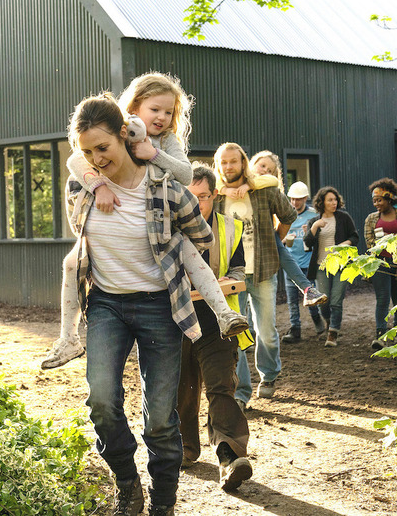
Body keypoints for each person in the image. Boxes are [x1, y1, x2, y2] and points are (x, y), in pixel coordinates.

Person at [66, 93, 212, 516]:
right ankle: (128, 483)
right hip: (107, 305)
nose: (96, 157)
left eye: (103, 148)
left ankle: (163, 503)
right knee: (102, 401)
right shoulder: (82, 186)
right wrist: (94, 178)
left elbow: (203, 238)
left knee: (161, 419)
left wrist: (186, 267)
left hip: (160, 308)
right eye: (88, 151)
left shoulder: (165, 188)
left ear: (123, 135)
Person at [42, 73, 248, 369]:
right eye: (155, 109)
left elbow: (186, 175)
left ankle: (223, 313)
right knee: (72, 263)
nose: (162, 117)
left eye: (169, 112)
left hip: (162, 217)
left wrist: (155, 154)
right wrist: (97, 184)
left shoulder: (167, 140)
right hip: (118, 225)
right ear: (136, 106)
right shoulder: (118, 131)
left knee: (190, 255)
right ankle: (68, 337)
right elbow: (76, 161)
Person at [180, 163, 254, 491]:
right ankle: (185, 448)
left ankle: (229, 456)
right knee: (182, 388)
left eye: (205, 196)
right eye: (190, 197)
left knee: (221, 385)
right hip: (176, 320)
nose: (198, 204)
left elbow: (239, 270)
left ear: (214, 197)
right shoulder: (167, 227)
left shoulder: (229, 228)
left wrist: (230, 279)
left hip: (218, 320)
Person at [213, 143, 297, 407]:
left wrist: (277, 239)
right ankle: (240, 392)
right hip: (231, 277)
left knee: (267, 331)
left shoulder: (264, 191)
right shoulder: (215, 195)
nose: (229, 167)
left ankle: (269, 374)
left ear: (243, 162)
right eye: (223, 162)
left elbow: (288, 214)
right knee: (236, 333)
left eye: (233, 162)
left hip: (263, 270)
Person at [224, 150, 327, 309]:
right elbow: (216, 182)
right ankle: (307, 287)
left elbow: (269, 181)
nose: (265, 170)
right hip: (237, 250)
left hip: (263, 238)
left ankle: (307, 288)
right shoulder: (231, 183)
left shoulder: (267, 185)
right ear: (251, 164)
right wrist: (227, 190)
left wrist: (247, 185)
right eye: (262, 165)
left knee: (280, 249)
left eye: (270, 169)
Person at [363, 177, 397, 349]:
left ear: (389, 198)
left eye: (379, 200)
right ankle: (381, 334)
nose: (376, 204)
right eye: (374, 201)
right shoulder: (371, 219)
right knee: (382, 297)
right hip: (380, 263)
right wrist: (383, 244)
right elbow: (369, 240)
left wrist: (394, 241)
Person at [303, 186, 359, 347]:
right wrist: (314, 227)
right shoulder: (315, 220)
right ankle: (328, 321)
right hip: (321, 266)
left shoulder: (343, 217)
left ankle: (333, 332)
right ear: (322, 202)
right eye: (330, 200)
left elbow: (354, 237)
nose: (333, 203)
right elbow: (307, 242)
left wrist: (343, 245)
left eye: (335, 199)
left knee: (336, 300)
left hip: (342, 265)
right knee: (324, 301)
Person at [279, 180, 328, 343]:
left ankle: (317, 321)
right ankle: (295, 329)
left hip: (309, 265)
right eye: (292, 199)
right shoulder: (285, 215)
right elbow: (279, 237)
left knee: (312, 297)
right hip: (291, 264)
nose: (295, 202)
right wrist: (284, 240)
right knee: (292, 300)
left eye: (298, 199)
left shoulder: (313, 215)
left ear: (305, 198)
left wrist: (312, 232)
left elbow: (323, 237)